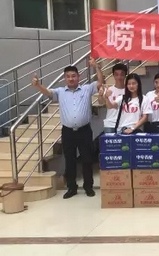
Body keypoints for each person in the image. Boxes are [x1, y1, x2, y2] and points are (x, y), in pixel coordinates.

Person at [31, 58, 104, 199]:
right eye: (68, 76)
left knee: (87, 159)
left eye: (73, 76)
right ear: (65, 78)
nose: (71, 79)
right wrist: (38, 85)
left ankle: (88, 187)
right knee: (69, 160)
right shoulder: (60, 92)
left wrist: (97, 67)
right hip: (68, 132)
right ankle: (71, 187)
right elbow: (47, 93)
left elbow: (100, 82)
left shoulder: (86, 89)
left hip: (84, 130)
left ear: (78, 77)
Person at [99, 63, 127, 133]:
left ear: (125, 75)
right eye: (116, 74)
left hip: (124, 124)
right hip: (110, 124)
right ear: (113, 75)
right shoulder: (109, 89)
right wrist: (100, 95)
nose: (119, 77)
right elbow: (101, 102)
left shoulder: (129, 91)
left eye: (122, 74)